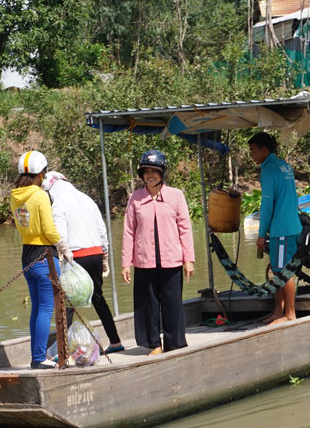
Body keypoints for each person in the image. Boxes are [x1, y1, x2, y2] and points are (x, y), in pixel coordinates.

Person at [121, 149, 196, 355]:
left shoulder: (176, 196)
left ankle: (175, 344)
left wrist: (188, 260)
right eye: (146, 171)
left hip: (171, 260)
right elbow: (128, 231)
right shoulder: (135, 198)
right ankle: (153, 344)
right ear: (142, 174)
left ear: (163, 172)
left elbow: (185, 228)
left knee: (173, 304)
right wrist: (125, 263)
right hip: (144, 261)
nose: (150, 175)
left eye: (155, 171)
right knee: (148, 305)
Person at [41, 170, 124, 354]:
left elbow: (60, 234)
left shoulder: (59, 203)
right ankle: (116, 341)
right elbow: (102, 229)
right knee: (98, 298)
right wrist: (105, 255)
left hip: (76, 255)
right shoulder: (87, 199)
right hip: (95, 253)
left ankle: (61, 352)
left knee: (67, 304)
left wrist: (63, 256)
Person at [10, 150, 63, 369]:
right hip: (45, 256)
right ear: (41, 173)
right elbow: (49, 229)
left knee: (36, 309)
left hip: (27, 257)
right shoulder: (40, 195)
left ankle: (36, 356)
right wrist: (63, 246)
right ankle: (40, 358)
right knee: (45, 309)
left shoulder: (14, 195)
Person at [248, 132, 302, 325]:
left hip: (282, 229)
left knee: (282, 271)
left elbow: (267, 206)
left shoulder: (269, 170)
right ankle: (278, 311)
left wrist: (261, 235)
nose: (251, 155)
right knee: (277, 270)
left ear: (264, 150)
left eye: (253, 151)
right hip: (292, 225)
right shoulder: (283, 165)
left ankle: (289, 314)